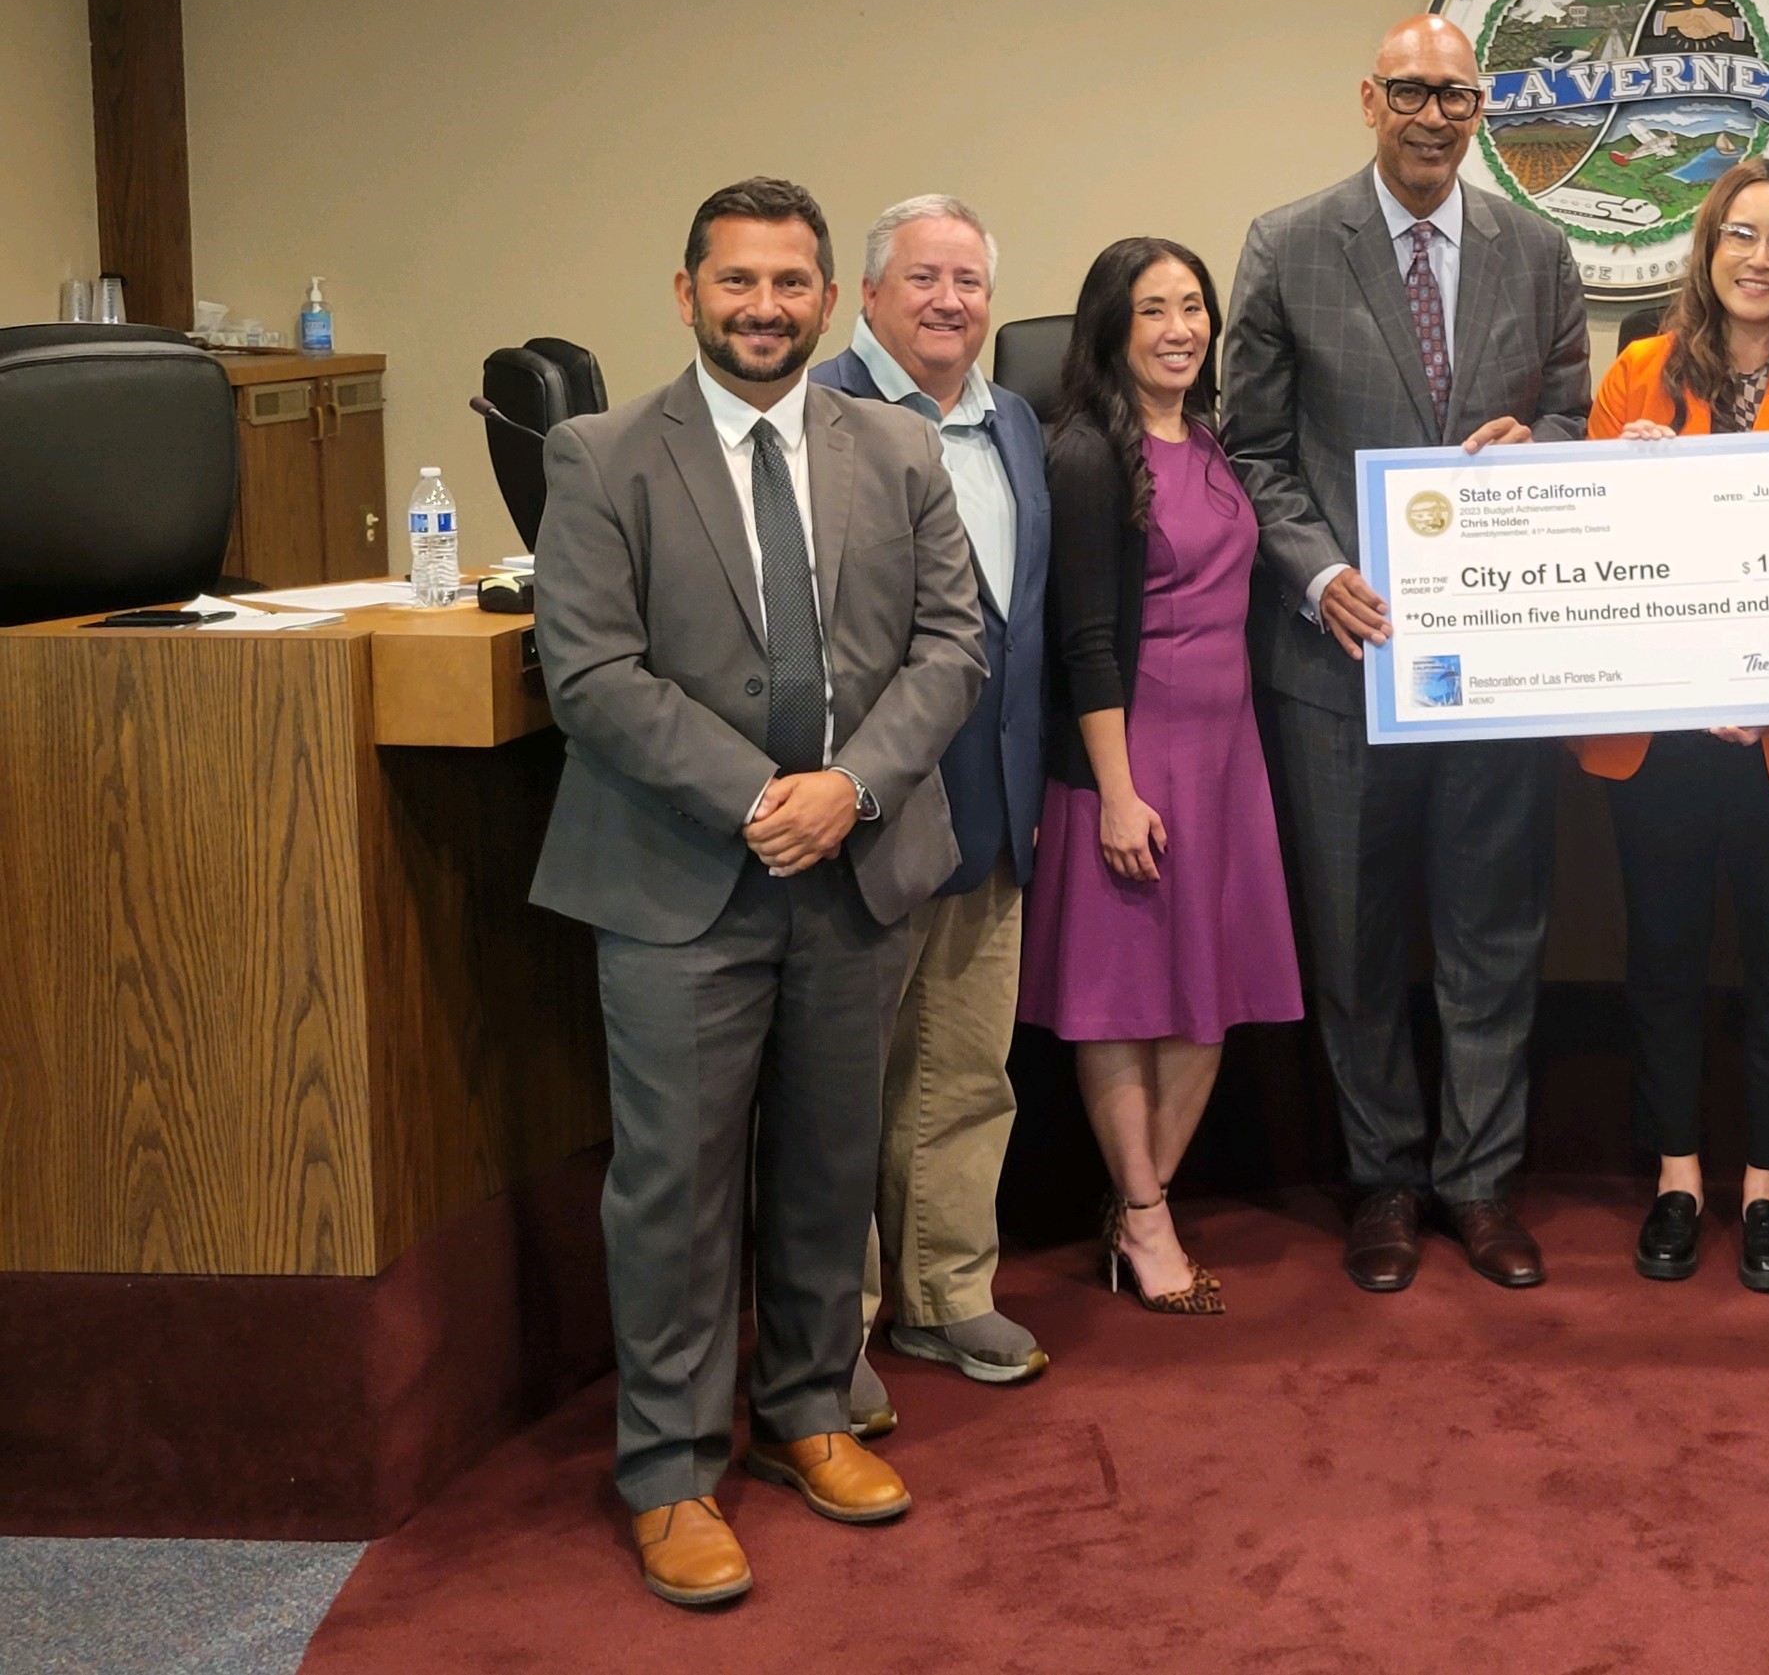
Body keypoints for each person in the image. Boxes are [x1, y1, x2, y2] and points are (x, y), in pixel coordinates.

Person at [530, 177, 985, 1607]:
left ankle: (805, 1411)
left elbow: (954, 646)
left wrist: (849, 793)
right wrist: (757, 797)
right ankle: (668, 1470)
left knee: (826, 1164)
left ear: (830, 301)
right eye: (738, 282)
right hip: (682, 878)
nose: (766, 308)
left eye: (792, 283)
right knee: (672, 1188)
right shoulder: (601, 456)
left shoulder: (898, 447)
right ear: (687, 294)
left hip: (859, 873)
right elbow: (591, 674)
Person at [1224, 14, 1592, 1293]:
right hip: (1339, 665)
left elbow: (1567, 407)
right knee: (1359, 938)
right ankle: (1381, 1181)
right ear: (1369, 98)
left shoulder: (1538, 250)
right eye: (1412, 93)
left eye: (1459, 96)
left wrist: (1542, 449)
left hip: (1494, 665)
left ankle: (1481, 1185)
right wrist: (1320, 572)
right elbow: (1250, 451)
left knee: (1494, 932)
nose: (1435, 116)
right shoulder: (1285, 244)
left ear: (1482, 109)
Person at [1574, 159, 1769, 1293]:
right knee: (1660, 960)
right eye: (1742, 237)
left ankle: (1767, 1189)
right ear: (1707, 250)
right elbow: (1601, 559)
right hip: (1659, 740)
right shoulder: (1639, 376)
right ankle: (1676, 1178)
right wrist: (1607, 480)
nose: (1761, 259)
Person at [1020, 238, 1304, 1313]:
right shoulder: (1088, 455)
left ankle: (1145, 1195)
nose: (1182, 329)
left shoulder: (1215, 442)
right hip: (1131, 756)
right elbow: (1085, 640)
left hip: (1227, 758)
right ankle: (1144, 1218)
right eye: (1155, 311)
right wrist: (1116, 791)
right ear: (1112, 329)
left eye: (1195, 308)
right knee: (1122, 998)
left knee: (1208, 996)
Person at [811, 196, 1052, 1424]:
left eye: (967, 280)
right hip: (872, 817)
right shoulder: (818, 426)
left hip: (994, 811)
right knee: (840, 1085)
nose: (949, 301)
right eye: (922, 279)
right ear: (867, 297)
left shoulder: (1013, 420)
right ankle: (828, 1328)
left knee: (967, 1071)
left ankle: (946, 1289)